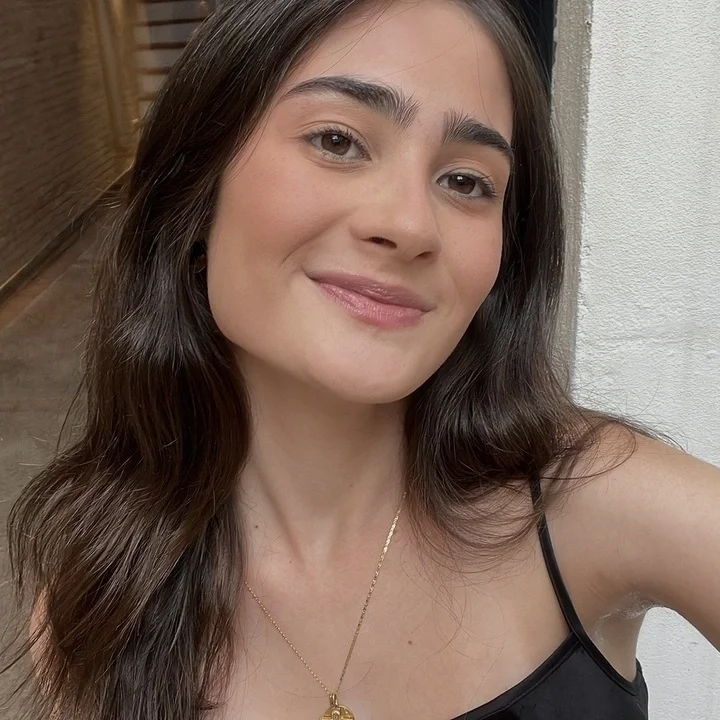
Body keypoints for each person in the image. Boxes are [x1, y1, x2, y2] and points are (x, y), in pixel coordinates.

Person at [3, 0, 719, 718]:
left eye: (466, 181)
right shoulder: (100, 604)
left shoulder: (597, 501)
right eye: (338, 141)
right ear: (197, 187)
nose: (408, 224)